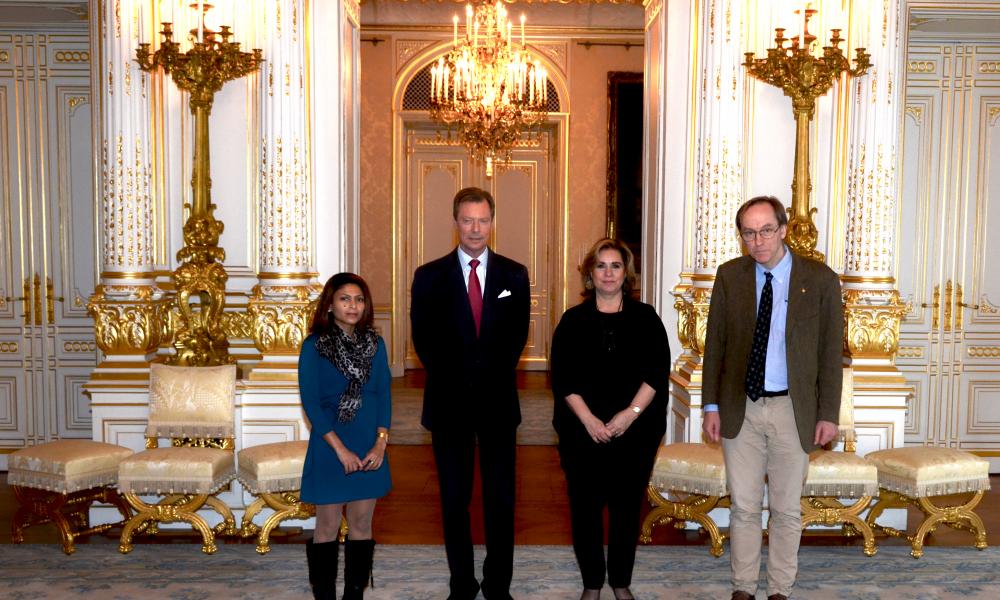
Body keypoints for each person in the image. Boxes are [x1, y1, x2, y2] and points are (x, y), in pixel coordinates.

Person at [701, 196, 842, 600]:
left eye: (765, 230)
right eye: (749, 232)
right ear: (741, 235)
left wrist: (827, 414)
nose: (758, 241)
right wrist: (710, 405)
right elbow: (716, 346)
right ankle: (743, 588)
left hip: (793, 411)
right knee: (743, 506)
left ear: (782, 230)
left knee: (785, 509)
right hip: (739, 407)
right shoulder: (730, 276)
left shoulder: (819, 280)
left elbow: (831, 354)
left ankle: (780, 589)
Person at [410, 187, 530, 600]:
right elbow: (423, 341)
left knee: (501, 500)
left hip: (498, 403)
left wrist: (484, 376)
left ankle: (498, 585)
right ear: (455, 222)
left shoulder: (515, 275)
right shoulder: (427, 276)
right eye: (467, 220)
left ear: (492, 222)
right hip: (449, 404)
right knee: (454, 499)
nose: (476, 228)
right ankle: (461, 582)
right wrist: (463, 379)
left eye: (483, 220)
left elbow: (516, 338)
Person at [550, 238, 671, 600]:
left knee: (625, 510)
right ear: (590, 273)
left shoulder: (646, 318)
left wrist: (628, 416)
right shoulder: (572, 321)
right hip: (581, 432)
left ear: (625, 273)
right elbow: (563, 377)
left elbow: (656, 372)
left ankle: (620, 581)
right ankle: (591, 583)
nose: (608, 273)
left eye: (615, 266)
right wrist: (588, 420)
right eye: (601, 266)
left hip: (633, 433)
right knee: (584, 510)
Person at [300, 272, 392, 600]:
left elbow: (383, 393)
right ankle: (324, 596)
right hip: (330, 447)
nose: (352, 306)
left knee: (362, 523)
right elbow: (311, 403)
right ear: (330, 304)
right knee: (326, 525)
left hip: (369, 445)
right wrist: (339, 450)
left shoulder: (375, 345)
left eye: (359, 299)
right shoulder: (314, 347)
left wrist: (381, 442)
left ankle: (354, 595)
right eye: (344, 299)